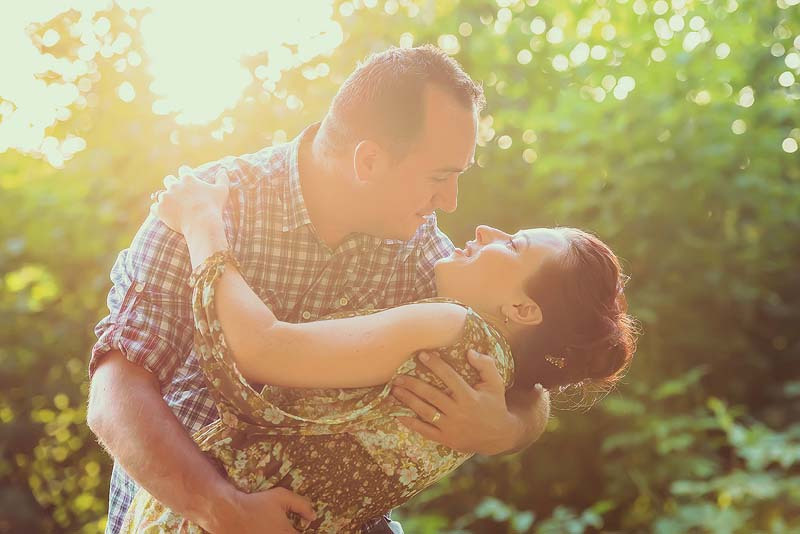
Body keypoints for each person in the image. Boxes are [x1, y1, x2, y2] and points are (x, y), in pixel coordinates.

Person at [86, 45, 551, 534]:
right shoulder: (205, 207)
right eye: (439, 177)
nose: (450, 203)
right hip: (181, 516)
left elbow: (527, 371)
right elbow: (115, 392)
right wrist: (220, 506)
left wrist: (507, 428)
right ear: (368, 161)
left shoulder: (424, 255)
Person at [118, 170, 636, 532]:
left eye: (515, 245)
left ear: (523, 311)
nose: (483, 229)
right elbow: (533, 394)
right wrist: (510, 427)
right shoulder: (493, 381)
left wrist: (203, 222)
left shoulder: (452, 325)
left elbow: (261, 347)